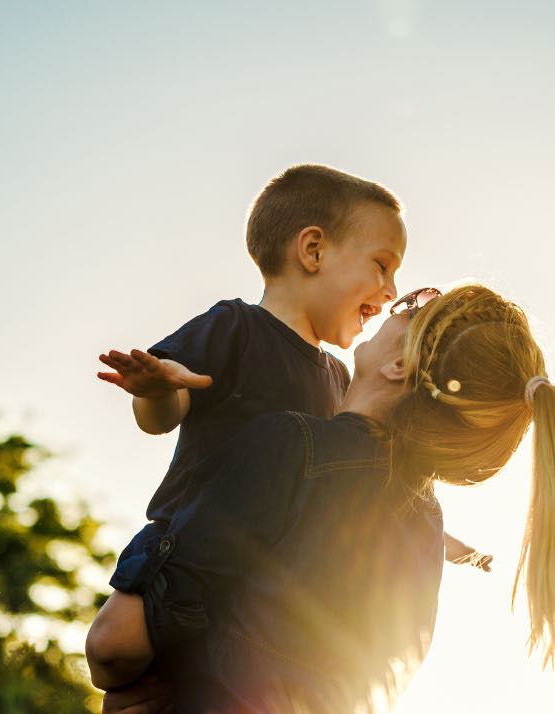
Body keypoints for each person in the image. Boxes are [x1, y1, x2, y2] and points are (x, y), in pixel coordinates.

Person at [85, 285, 555, 714]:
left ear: (400, 366)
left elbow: (114, 644)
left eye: (414, 307)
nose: (394, 303)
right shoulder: (426, 530)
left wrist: (138, 691)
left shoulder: (288, 448)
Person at [95, 165, 491, 594]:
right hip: (181, 560)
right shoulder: (235, 327)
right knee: (117, 645)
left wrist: (446, 546)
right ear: (314, 250)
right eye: (381, 265)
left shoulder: (340, 378)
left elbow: (354, 481)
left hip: (260, 575)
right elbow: (162, 416)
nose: (391, 290)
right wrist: (157, 391)